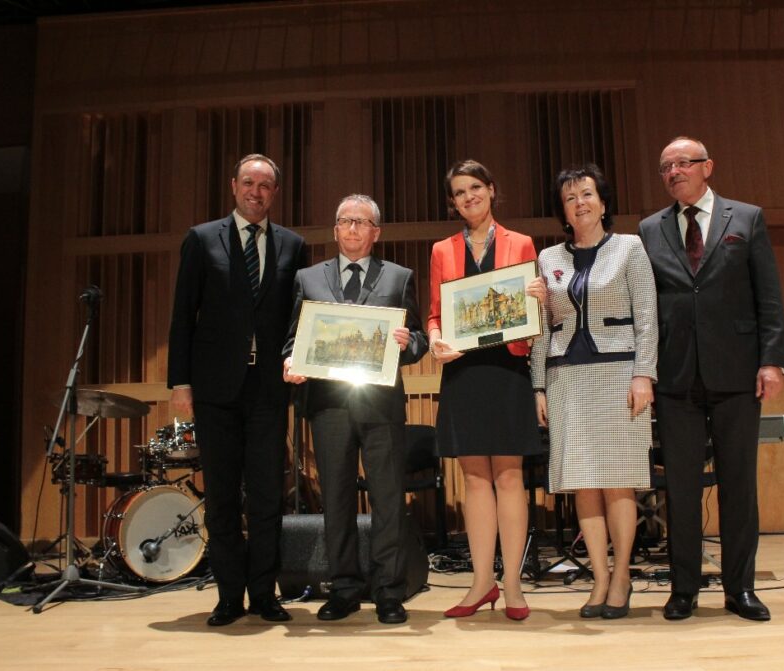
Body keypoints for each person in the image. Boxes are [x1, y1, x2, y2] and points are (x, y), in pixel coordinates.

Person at [637, 136, 784, 622]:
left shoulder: (745, 218)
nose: (674, 171)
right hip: (676, 375)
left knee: (738, 485)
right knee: (679, 487)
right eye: (666, 166)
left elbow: (769, 295)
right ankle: (683, 589)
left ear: (708, 167)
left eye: (683, 163)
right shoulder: (649, 229)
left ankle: (740, 589)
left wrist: (772, 360)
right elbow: (647, 304)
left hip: (737, 370)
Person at [167, 153, 306, 626]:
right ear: (233, 186)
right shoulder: (201, 239)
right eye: (248, 182)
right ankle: (229, 596)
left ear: (275, 192)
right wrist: (180, 382)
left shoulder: (293, 245)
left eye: (265, 185)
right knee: (223, 496)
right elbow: (183, 315)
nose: (256, 191)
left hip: (268, 390)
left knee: (268, 495)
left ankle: (264, 594)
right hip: (214, 390)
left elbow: (297, 319)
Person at [282, 194, 428, 625]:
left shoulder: (399, 277)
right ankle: (343, 588)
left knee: (386, 500)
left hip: (380, 404)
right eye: (345, 221)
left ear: (376, 232)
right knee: (337, 500)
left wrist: (409, 344)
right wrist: (290, 360)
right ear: (335, 229)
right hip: (328, 405)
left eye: (361, 222)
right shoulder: (307, 278)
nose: (352, 229)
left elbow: (417, 339)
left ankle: (388, 592)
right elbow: (293, 339)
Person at [530, 164, 658, 619]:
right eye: (570, 197)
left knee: (617, 481)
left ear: (603, 201)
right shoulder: (549, 259)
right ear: (561, 210)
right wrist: (538, 384)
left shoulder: (630, 248)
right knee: (582, 482)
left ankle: (622, 575)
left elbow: (647, 315)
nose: (580, 203)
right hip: (567, 376)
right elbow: (544, 328)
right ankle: (599, 577)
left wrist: (644, 374)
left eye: (587, 194)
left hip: (618, 373)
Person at [428, 160, 547, 621]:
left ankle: (513, 585)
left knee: (510, 477)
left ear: (492, 190)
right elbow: (436, 311)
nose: (469, 197)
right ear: (453, 202)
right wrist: (436, 336)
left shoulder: (521, 243)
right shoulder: (442, 249)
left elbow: (534, 316)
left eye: (475, 187)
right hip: (463, 373)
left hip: (507, 368)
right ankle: (482, 582)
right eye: (459, 192)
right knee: (475, 479)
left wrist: (538, 301)